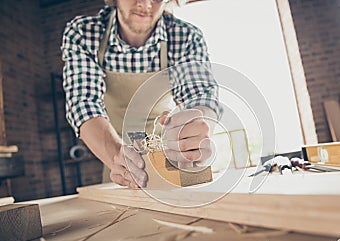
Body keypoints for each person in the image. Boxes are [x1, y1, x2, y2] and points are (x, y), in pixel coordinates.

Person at [61, 0, 221, 189]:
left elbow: (200, 96)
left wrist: (197, 131)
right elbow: (83, 103)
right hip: (115, 152)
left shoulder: (186, 37)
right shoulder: (83, 33)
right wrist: (116, 156)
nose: (145, 4)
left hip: (166, 152)